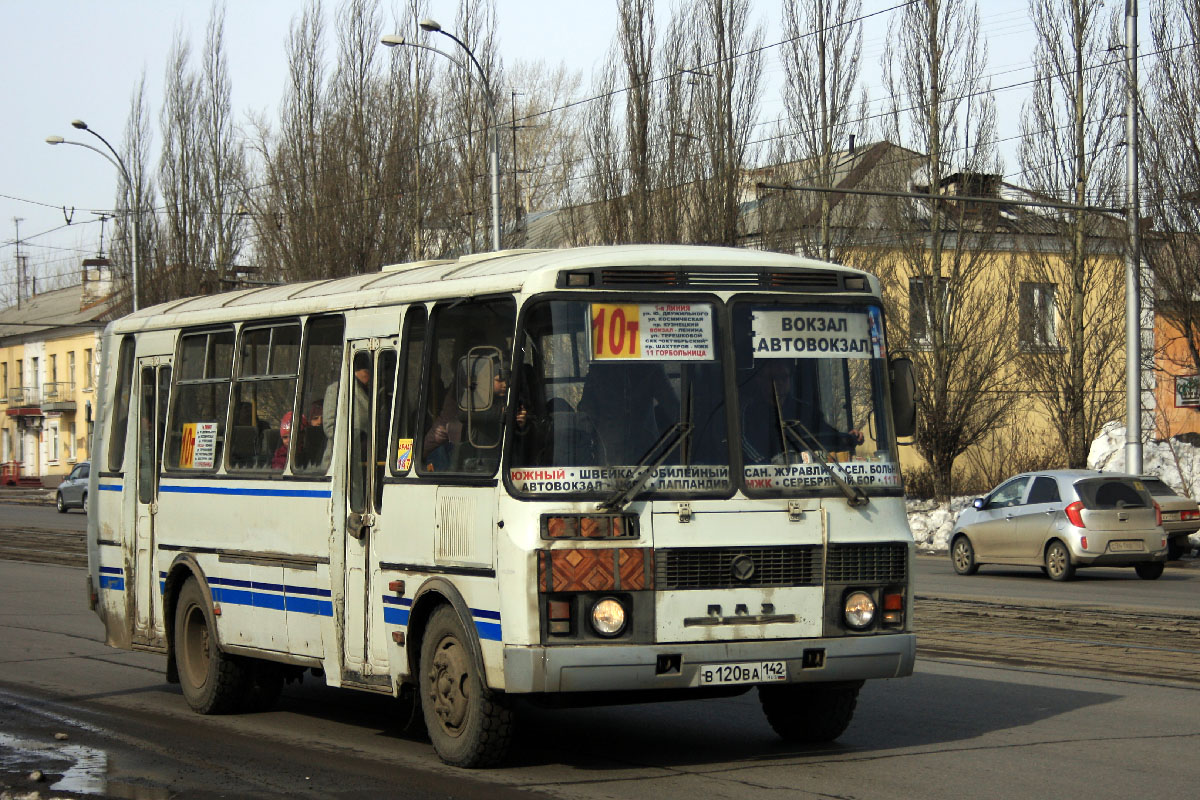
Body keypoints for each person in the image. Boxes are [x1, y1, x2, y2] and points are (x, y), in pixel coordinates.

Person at [739, 358, 862, 464]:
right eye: (773, 378)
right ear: (760, 380)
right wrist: (768, 466)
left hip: (803, 477)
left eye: (784, 378)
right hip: (767, 483)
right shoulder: (748, 412)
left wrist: (848, 439)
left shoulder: (804, 410)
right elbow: (743, 443)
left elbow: (825, 435)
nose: (779, 384)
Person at [577, 362, 679, 465]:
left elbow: (586, 411)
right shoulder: (649, 365)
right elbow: (675, 409)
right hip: (646, 453)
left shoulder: (599, 367)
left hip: (612, 452)